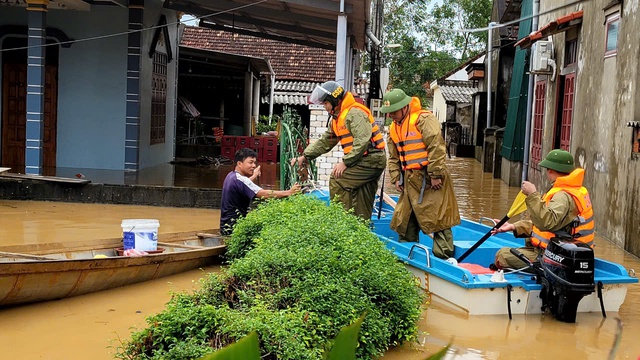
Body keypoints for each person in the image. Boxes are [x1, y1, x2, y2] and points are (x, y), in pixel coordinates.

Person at [380, 88, 461, 259]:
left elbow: (436, 147)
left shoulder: (424, 120)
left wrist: (435, 174)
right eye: (389, 113)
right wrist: (396, 178)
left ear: (404, 107)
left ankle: (443, 258)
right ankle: (408, 255)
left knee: (439, 219)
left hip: (430, 178)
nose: (391, 116)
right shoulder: (394, 128)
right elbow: (393, 157)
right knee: (404, 219)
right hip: (410, 180)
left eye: (393, 112)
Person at [290, 81, 386, 220]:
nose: (324, 107)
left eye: (325, 103)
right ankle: (359, 229)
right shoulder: (337, 118)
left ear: (334, 100)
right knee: (361, 200)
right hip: (363, 160)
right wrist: (305, 156)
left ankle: (341, 221)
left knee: (338, 178)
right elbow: (325, 142)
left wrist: (345, 162)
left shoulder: (354, 113)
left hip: (371, 160)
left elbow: (362, 141)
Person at [492, 149, 595, 270]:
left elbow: (546, 222)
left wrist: (532, 195)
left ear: (550, 171)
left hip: (557, 256)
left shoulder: (562, 196)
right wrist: (514, 227)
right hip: (564, 252)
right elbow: (557, 227)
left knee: (502, 255)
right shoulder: (576, 190)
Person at [220, 148, 301, 235]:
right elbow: (263, 194)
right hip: (235, 228)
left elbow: (244, 185)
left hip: (225, 226)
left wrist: (254, 175)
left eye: (255, 163)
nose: (254, 166)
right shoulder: (241, 180)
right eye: (250, 162)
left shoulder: (231, 176)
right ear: (239, 163)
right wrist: (289, 192)